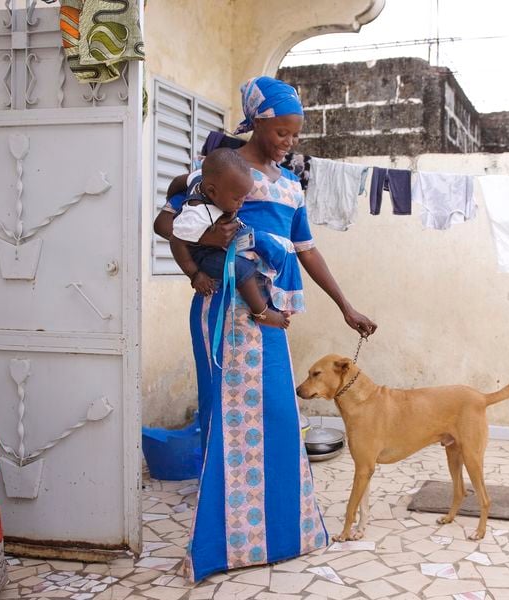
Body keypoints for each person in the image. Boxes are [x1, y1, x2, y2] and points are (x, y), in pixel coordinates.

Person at [153, 76, 377, 582]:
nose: (289, 142)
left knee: (278, 414)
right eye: (282, 131)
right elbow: (168, 221)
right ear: (257, 122)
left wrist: (345, 305)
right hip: (224, 308)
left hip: (268, 312)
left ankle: (283, 534)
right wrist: (207, 238)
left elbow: (307, 250)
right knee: (228, 424)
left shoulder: (290, 185)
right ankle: (223, 544)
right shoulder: (220, 170)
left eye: (295, 134)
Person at [171, 147, 288, 328]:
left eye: (244, 197)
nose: (241, 203)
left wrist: (171, 195)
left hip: (218, 240)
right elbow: (176, 242)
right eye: (237, 199)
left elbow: (180, 181)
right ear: (212, 192)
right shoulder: (195, 215)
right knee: (242, 268)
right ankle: (261, 312)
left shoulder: (199, 178)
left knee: (262, 244)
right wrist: (194, 274)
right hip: (202, 254)